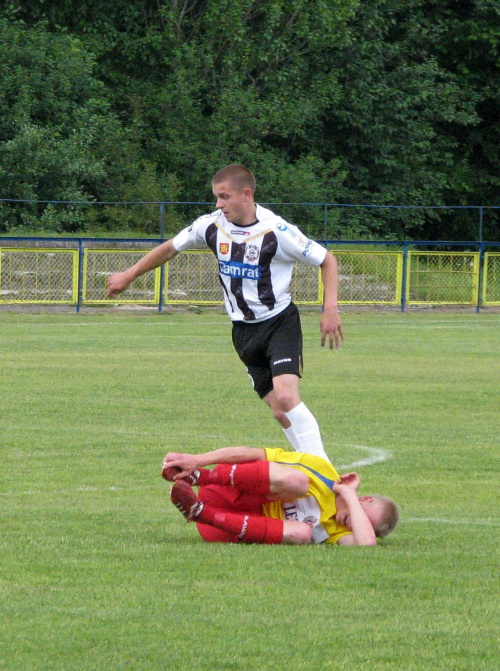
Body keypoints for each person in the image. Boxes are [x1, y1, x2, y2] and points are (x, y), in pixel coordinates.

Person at [107, 164, 344, 462]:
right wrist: (129, 275)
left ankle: (325, 476)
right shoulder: (210, 226)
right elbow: (169, 248)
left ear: (246, 194)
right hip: (242, 332)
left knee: (286, 396)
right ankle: (310, 468)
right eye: (216, 197)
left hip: (279, 323)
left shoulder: (277, 231)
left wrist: (330, 309)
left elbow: (327, 260)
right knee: (279, 411)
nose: (218, 204)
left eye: (223, 196)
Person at [161, 446, 398, 546]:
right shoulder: (323, 472)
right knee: (298, 481)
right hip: (225, 488)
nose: (358, 524)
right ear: (365, 499)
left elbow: (366, 544)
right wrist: (198, 461)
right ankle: (200, 477)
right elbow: (251, 454)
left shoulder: (338, 531)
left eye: (365, 525)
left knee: (303, 533)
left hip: (222, 526)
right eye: (365, 519)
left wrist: (347, 493)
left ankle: (198, 512)